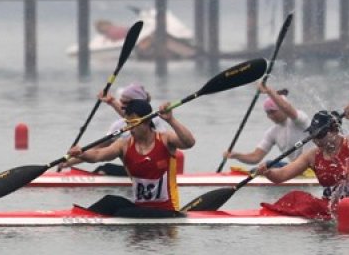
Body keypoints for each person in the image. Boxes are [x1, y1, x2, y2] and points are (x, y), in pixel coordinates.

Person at [64, 99, 196, 216]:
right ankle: (81, 218)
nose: (129, 128)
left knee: (122, 212)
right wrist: (82, 153)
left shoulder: (166, 139)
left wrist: (171, 120)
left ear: (147, 121)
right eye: (127, 123)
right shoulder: (124, 145)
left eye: (133, 123)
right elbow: (98, 155)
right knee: (110, 201)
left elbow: (189, 142)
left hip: (167, 211)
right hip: (140, 209)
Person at [255, 106, 349, 219]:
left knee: (346, 205)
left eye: (320, 135)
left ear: (334, 131)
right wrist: (268, 172)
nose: (316, 140)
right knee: (294, 196)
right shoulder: (312, 156)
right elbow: (282, 176)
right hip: (330, 207)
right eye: (313, 135)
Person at [222, 84, 310, 166]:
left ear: (281, 108)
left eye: (273, 112)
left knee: (268, 166)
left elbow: (287, 108)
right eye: (268, 113)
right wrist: (236, 155)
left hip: (313, 166)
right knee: (264, 166)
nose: (270, 116)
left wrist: (269, 91)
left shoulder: (300, 120)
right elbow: (255, 157)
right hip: (296, 168)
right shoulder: (272, 132)